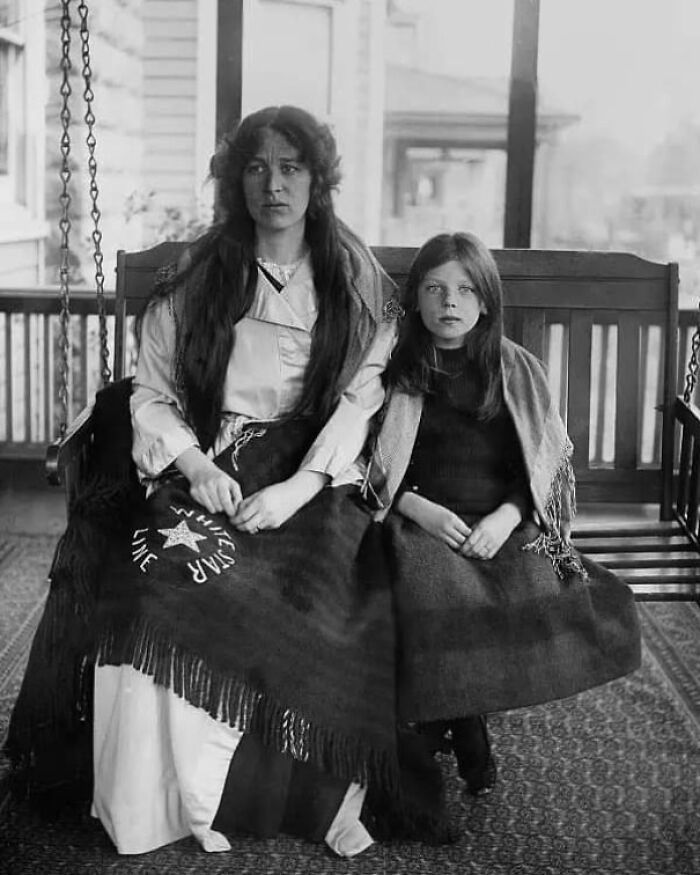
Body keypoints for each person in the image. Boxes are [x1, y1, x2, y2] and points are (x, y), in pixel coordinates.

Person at [8, 106, 400, 858]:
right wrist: (194, 464)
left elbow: (363, 399)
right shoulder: (201, 275)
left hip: (315, 472)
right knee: (155, 586)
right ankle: (162, 803)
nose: (273, 184)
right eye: (257, 167)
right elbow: (151, 391)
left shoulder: (352, 279)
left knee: (316, 594)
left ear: (317, 182)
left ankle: (289, 797)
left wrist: (299, 486)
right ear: (236, 180)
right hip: (212, 457)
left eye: (291, 168)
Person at [362, 231, 641, 802]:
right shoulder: (393, 367)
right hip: (417, 518)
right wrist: (415, 506)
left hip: (503, 521)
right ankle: (466, 728)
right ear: (415, 298)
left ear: (486, 301)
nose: (449, 303)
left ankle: (448, 716)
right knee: (433, 590)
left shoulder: (516, 370)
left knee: (542, 585)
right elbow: (366, 454)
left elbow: (543, 462)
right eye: (435, 289)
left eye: (465, 290)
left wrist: (509, 517)